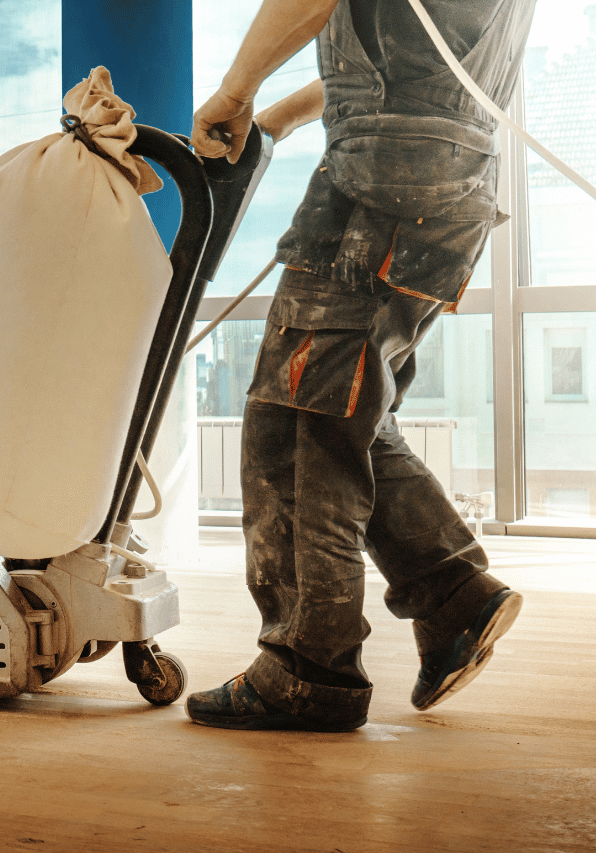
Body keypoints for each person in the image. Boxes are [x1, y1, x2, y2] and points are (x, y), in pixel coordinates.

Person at [186, 0, 536, 731]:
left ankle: (307, 667)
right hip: (449, 179)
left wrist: (236, 91)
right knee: (347, 409)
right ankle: (453, 595)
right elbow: (411, 46)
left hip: (383, 184)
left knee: (294, 420)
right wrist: (278, 113)